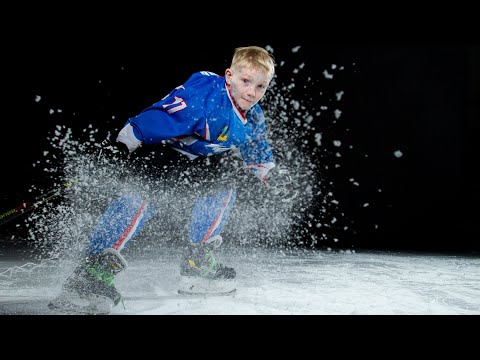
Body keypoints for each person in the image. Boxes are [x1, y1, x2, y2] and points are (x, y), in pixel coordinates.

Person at [49, 46, 294, 314]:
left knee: (223, 185)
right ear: (229, 75)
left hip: (196, 162)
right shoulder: (205, 98)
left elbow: (256, 150)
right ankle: (90, 273)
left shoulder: (253, 116)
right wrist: (125, 141)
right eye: (246, 81)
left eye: (261, 86)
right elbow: (163, 115)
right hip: (161, 152)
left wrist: (270, 174)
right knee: (142, 195)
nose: (252, 92)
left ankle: (197, 263)